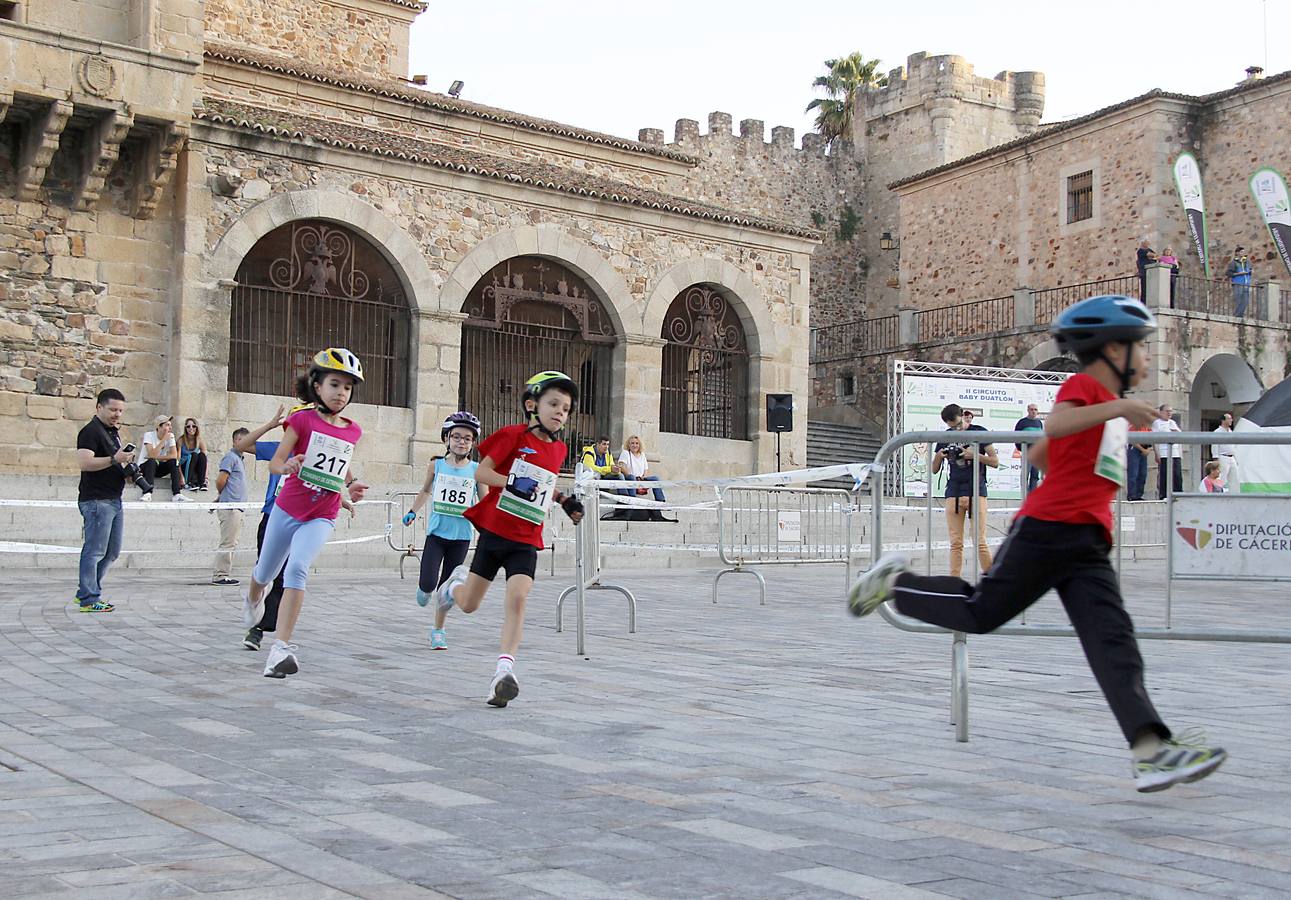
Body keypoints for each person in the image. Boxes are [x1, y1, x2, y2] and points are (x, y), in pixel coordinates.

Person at [848, 294, 1226, 794]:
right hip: (1049, 530)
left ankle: (1152, 750)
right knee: (983, 613)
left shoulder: (1107, 411)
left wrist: (1090, 453)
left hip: (1085, 541)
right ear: (1113, 349)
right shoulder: (1086, 386)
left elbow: (1045, 454)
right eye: (1141, 347)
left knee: (1113, 641)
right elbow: (1055, 427)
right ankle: (898, 585)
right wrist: (1116, 412)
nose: (1148, 358)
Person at [431, 371, 585, 707]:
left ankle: (504, 672)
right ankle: (450, 589)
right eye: (554, 404)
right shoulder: (511, 435)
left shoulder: (559, 449)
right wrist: (513, 481)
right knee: (469, 604)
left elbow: (542, 486)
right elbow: (482, 472)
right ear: (532, 404)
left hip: (527, 536)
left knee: (518, 600)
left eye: (567, 408)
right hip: (495, 532)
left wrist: (564, 502)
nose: (561, 412)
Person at [240, 349, 369, 678]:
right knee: (264, 574)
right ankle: (253, 596)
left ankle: (280, 649)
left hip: (322, 515)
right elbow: (275, 462)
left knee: (297, 568)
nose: (341, 393)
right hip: (287, 510)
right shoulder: (301, 420)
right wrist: (289, 465)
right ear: (317, 385)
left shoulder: (352, 430)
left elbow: (338, 464)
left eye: (348, 388)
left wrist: (348, 488)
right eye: (335, 384)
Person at [402, 411, 481, 650]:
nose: (461, 442)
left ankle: (438, 630)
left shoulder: (477, 470)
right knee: (428, 583)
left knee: (445, 589)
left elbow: (483, 503)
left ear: (473, 443)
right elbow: (426, 490)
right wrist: (413, 511)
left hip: (461, 538)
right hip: (436, 535)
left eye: (467, 438)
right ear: (446, 439)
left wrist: (486, 529)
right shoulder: (435, 465)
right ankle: (424, 588)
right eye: (456, 436)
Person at [232, 403, 301, 651]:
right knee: (265, 573)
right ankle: (256, 613)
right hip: (272, 517)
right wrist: (269, 425)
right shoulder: (277, 450)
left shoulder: (314, 454)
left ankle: (260, 629)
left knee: (286, 577)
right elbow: (240, 446)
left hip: (298, 521)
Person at [75, 388, 135, 612]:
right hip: (97, 499)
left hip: (114, 499)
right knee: (94, 550)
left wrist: (126, 469)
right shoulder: (90, 431)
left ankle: (86, 590)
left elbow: (114, 462)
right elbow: (85, 463)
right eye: (112, 409)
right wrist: (114, 459)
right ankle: (89, 599)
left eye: (120, 410)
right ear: (99, 407)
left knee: (112, 552)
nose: (117, 414)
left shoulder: (112, 432)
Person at [932, 403, 998, 577]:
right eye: (952, 427)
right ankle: (954, 581)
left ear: (964, 415)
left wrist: (973, 455)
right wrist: (940, 454)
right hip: (953, 491)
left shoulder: (979, 431)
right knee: (955, 542)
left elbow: (995, 461)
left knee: (979, 540)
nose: (956, 429)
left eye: (958, 425)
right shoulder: (946, 437)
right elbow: (934, 469)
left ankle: (992, 580)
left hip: (976, 490)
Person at [212, 428, 250, 586]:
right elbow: (221, 480)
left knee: (232, 541)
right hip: (230, 506)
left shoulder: (239, 459)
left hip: (237, 507)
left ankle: (225, 573)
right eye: (241, 440)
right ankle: (220, 575)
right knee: (228, 541)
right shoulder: (231, 457)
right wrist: (224, 497)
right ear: (235, 441)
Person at [616, 435, 668, 521]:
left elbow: (646, 469)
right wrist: (631, 476)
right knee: (632, 477)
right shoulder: (625, 453)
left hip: (640, 479)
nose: (634, 445)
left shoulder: (642, 455)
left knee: (656, 478)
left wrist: (643, 478)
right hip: (630, 478)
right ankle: (632, 500)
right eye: (632, 443)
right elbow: (622, 466)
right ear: (628, 445)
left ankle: (660, 501)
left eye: (636, 443)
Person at [138, 415, 189, 501]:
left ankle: (177, 494)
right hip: (145, 467)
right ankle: (147, 492)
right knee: (151, 461)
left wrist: (156, 457)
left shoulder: (171, 436)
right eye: (167, 425)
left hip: (157, 467)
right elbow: (151, 454)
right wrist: (163, 440)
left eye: (170, 425)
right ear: (159, 427)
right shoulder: (149, 435)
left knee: (173, 461)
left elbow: (174, 455)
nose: (170, 428)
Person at [581, 436, 623, 518]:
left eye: (608, 444)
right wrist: (609, 469)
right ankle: (623, 501)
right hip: (591, 480)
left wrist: (615, 469)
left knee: (620, 475)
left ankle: (623, 500)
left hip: (603, 478)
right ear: (598, 444)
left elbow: (611, 465)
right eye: (604, 444)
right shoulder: (589, 453)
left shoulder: (608, 452)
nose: (606, 447)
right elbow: (591, 468)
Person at [1152, 404, 1183, 499]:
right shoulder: (1157, 423)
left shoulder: (1173, 422)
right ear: (1161, 412)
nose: (1169, 413)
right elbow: (1154, 439)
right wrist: (1157, 453)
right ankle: (1163, 495)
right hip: (1164, 453)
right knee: (1165, 474)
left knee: (1177, 475)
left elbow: (1180, 435)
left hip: (1175, 453)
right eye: (1167, 411)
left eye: (1171, 411)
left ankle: (1178, 494)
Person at [1013, 403, 1044, 493]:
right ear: (1028, 410)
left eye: (1035, 409)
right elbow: (1015, 437)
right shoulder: (1022, 422)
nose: (1033, 411)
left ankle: (1032, 495)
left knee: (1035, 475)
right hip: (1027, 453)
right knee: (1025, 475)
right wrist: (1022, 449)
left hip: (1037, 454)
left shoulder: (1039, 423)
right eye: (1032, 409)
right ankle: (1024, 496)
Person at [178, 417, 209, 490]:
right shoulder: (180, 440)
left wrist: (206, 477)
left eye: (193, 426)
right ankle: (189, 482)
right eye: (188, 426)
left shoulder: (200, 441)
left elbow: (205, 461)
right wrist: (181, 476)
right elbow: (177, 461)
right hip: (184, 466)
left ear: (197, 427)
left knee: (201, 455)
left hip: (193, 467)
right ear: (185, 428)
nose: (191, 428)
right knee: (194, 455)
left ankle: (202, 482)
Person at [1212, 411, 1238, 491]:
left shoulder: (1230, 431)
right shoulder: (1217, 432)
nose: (1231, 420)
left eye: (1231, 419)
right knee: (1222, 477)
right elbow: (1215, 445)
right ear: (1223, 420)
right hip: (1223, 457)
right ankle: (1219, 493)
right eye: (1229, 419)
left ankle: (1234, 494)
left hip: (1232, 457)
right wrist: (1216, 458)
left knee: (1234, 477)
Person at [1127, 422, 1151, 501]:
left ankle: (1138, 494)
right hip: (1135, 449)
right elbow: (1132, 439)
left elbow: (1152, 438)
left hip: (1144, 449)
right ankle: (1132, 495)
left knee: (1143, 473)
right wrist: (1143, 450)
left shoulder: (1147, 427)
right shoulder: (1134, 425)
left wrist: (1148, 449)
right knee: (1133, 473)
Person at [1226, 247, 1253, 316]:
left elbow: (1249, 270)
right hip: (1237, 283)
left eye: (1243, 252)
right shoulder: (1233, 263)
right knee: (1238, 301)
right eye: (1241, 252)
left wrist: (1250, 271)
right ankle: (1237, 316)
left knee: (1245, 301)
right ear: (1237, 253)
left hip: (1246, 284)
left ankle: (1239, 316)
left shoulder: (1247, 262)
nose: (1243, 253)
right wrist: (1239, 274)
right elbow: (1228, 273)